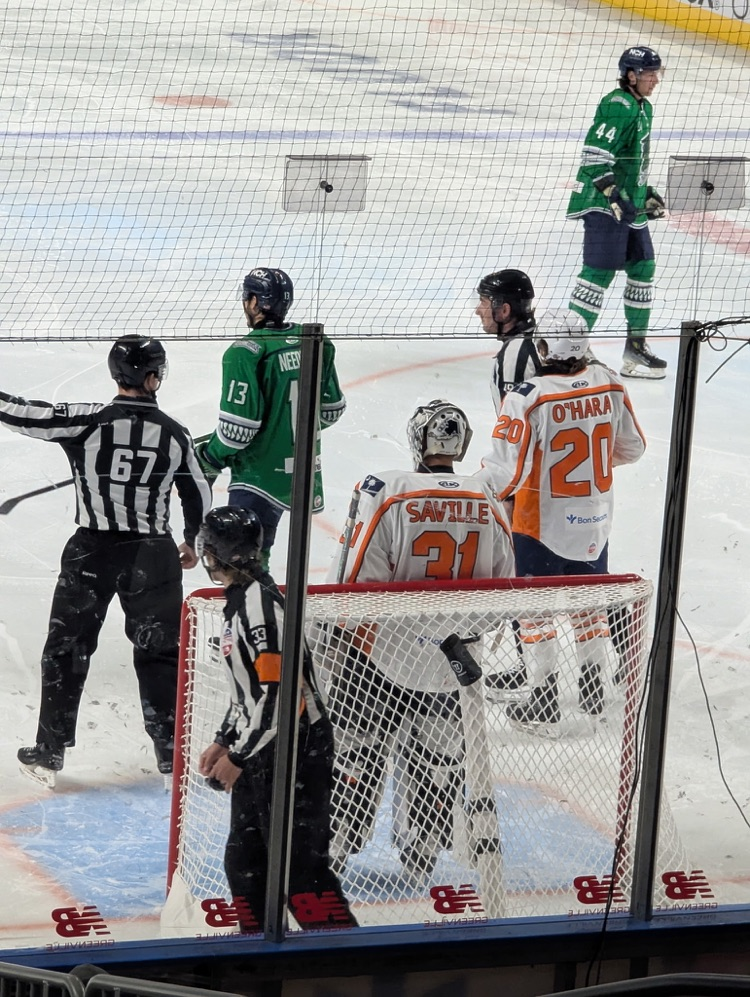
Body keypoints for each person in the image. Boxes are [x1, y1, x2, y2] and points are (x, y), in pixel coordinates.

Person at [0, 336, 212, 786]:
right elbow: (197, 491)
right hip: (153, 555)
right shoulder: (174, 432)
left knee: (66, 648)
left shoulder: (87, 420)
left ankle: (50, 750)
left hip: (92, 551)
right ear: (152, 378)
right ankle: (170, 754)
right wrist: (193, 539)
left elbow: (22, 413)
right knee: (160, 653)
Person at [325, 400, 514, 877]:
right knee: (438, 759)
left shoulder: (386, 489)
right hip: (452, 663)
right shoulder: (487, 497)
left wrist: (331, 637)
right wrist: (454, 630)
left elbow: (352, 585)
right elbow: (503, 591)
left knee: (353, 750)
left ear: (416, 440)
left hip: (379, 655)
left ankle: (337, 843)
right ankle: (422, 847)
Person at [477, 317, 646, 729]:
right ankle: (592, 691)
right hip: (594, 521)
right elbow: (633, 448)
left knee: (535, 612)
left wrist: (471, 492)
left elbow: (504, 474)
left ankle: (544, 700)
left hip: (541, 524)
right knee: (588, 608)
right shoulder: (609, 382)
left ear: (543, 349)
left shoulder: (529, 396)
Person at [195, 507, 358, 931]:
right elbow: (251, 689)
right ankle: (258, 952)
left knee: (300, 873)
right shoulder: (242, 600)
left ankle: (347, 957)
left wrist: (239, 756)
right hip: (268, 744)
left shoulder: (260, 608)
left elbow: (282, 696)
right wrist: (225, 739)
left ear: (213, 554)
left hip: (297, 750)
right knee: (245, 862)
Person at [195, 268, 346, 570]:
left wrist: (209, 455)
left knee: (242, 565)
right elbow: (330, 410)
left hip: (258, 477)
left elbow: (236, 433)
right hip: (301, 470)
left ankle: (256, 602)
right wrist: (284, 434)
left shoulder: (245, 352)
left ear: (254, 302)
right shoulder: (314, 340)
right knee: (259, 556)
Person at [566, 45, 668, 380]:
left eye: (657, 73)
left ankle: (635, 348)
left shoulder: (644, 108)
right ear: (631, 75)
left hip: (628, 204)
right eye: (650, 74)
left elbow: (631, 160)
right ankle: (570, 349)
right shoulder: (617, 105)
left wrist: (644, 192)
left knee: (643, 267)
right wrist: (613, 194)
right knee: (597, 275)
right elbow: (593, 157)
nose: (655, 80)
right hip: (602, 203)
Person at [475, 268, 543, 415]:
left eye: (483, 302)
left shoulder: (514, 357)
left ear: (504, 310)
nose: (477, 310)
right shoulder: (548, 339)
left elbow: (513, 423)